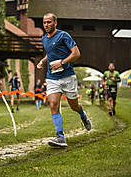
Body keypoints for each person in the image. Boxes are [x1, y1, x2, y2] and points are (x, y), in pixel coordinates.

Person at [37, 13, 91, 147]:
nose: (46, 25)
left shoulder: (63, 35)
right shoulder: (44, 39)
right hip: (52, 78)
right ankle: (60, 137)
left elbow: (76, 54)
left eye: (49, 22)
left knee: (74, 106)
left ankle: (82, 115)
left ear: (55, 23)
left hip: (68, 77)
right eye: (44, 22)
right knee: (53, 104)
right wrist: (43, 61)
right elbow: (50, 54)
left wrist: (61, 62)